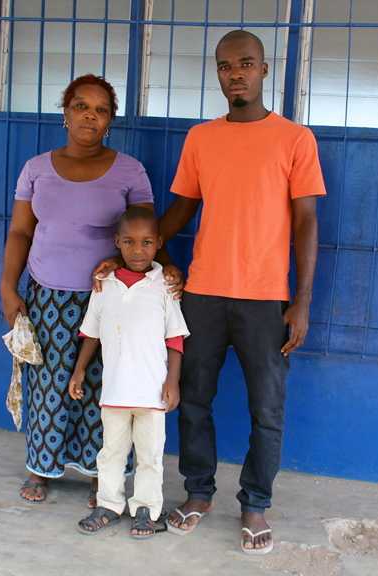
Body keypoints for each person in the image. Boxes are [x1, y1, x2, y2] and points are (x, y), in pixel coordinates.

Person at [95, 30, 325, 554]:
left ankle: (255, 502)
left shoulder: (295, 139)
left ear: (265, 71)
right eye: (225, 67)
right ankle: (199, 493)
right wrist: (138, 253)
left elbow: (307, 221)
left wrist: (302, 300)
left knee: (267, 407)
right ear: (218, 74)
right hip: (200, 296)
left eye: (246, 64)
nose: (236, 74)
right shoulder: (202, 138)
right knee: (194, 399)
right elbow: (180, 210)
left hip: (266, 299)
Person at [1, 74, 162, 506]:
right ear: (66, 111)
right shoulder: (37, 168)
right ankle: (41, 466)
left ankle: (101, 473)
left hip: (108, 297)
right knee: (48, 380)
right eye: (81, 106)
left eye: (102, 109)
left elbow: (142, 233)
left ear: (111, 120)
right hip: (46, 295)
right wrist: (7, 287)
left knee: (101, 382)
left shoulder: (130, 171)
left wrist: (119, 260)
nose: (91, 115)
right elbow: (20, 231)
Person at [68, 207, 189, 539]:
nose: (139, 250)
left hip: (152, 393)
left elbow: (175, 338)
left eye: (148, 242)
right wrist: (79, 370)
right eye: (131, 242)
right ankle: (108, 504)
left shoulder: (164, 285)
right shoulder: (104, 285)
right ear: (117, 242)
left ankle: (146, 509)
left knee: (150, 455)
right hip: (115, 392)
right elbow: (90, 333)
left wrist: (172, 381)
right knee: (111, 452)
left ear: (159, 243)